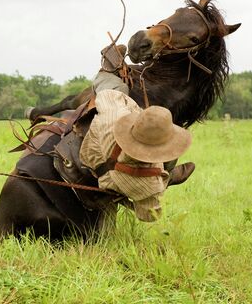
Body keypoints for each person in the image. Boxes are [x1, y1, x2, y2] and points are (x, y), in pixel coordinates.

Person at [79, 89, 192, 221]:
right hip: (109, 177)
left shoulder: (113, 115)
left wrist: (135, 112)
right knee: (163, 175)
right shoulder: (149, 187)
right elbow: (149, 217)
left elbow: (107, 94)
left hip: (91, 152)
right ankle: (168, 177)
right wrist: (158, 185)